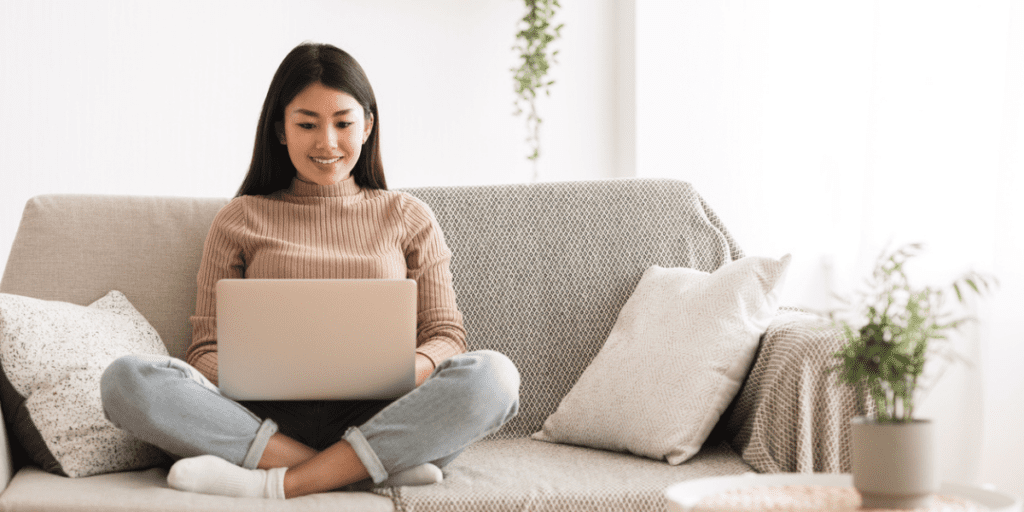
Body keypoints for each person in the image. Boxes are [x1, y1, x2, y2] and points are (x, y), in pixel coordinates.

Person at [99, 42, 520, 500]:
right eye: (307, 124)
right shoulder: (239, 218)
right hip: (262, 419)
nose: (327, 143)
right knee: (126, 381)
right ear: (281, 129)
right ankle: (359, 471)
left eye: (343, 123)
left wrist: (399, 371)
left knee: (493, 376)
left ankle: (276, 482)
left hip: (384, 416)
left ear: (368, 126)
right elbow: (204, 351)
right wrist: (254, 373)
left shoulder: (408, 216)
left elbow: (445, 336)